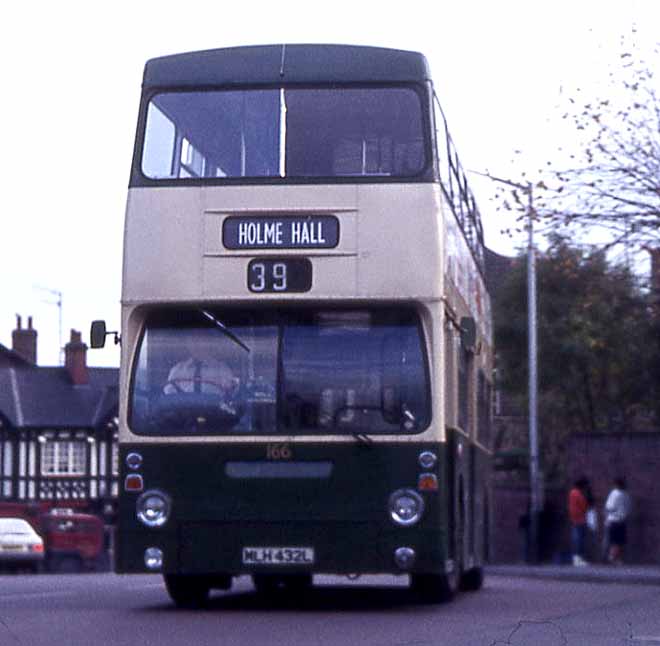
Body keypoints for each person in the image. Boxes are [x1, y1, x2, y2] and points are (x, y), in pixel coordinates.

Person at [604, 477, 632, 565]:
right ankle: (615, 558)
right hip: (622, 520)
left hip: (613, 519)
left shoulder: (614, 494)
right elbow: (629, 508)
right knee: (619, 541)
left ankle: (612, 557)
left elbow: (609, 507)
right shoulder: (626, 495)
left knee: (614, 541)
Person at [568, 477, 590, 566]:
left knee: (577, 538)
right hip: (579, 519)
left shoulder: (572, 493)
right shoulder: (578, 494)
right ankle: (578, 558)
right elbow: (583, 505)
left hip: (575, 518)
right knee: (579, 539)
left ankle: (577, 558)